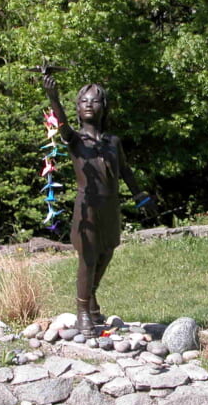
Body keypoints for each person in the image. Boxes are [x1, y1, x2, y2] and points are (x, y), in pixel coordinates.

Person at [43, 74, 158, 334]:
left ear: (104, 107)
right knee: (88, 258)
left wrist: (141, 196)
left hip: (110, 207)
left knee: (107, 252)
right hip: (88, 207)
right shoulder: (75, 140)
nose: (88, 105)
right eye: (83, 101)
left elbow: (125, 172)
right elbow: (61, 125)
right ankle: (83, 311)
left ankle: (92, 303)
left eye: (94, 101)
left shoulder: (112, 142)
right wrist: (53, 98)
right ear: (77, 107)